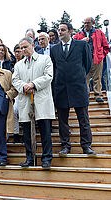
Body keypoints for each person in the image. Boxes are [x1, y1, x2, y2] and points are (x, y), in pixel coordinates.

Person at [50, 22, 96, 155]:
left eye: (63, 30)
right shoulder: (54, 49)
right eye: (59, 30)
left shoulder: (81, 45)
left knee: (83, 119)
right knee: (63, 121)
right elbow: (54, 68)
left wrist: (78, 77)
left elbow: (87, 65)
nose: (60, 32)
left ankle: (86, 146)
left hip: (78, 87)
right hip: (61, 89)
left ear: (70, 31)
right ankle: (65, 146)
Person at [12, 37, 55, 169]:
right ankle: (30, 158)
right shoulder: (18, 65)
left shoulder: (45, 59)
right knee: (26, 133)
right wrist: (24, 86)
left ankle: (46, 159)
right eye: (21, 48)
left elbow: (48, 76)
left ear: (32, 45)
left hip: (41, 100)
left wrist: (33, 84)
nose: (23, 50)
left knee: (45, 131)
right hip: (26, 101)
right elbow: (15, 80)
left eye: (26, 47)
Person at [73, 17, 110, 103]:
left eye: (88, 23)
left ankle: (98, 95)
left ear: (93, 23)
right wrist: (81, 41)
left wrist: (101, 56)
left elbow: (106, 47)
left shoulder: (99, 33)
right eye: (85, 23)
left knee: (97, 78)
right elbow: (72, 46)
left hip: (96, 59)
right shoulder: (78, 34)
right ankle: (86, 96)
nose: (86, 25)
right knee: (84, 78)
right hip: (83, 60)